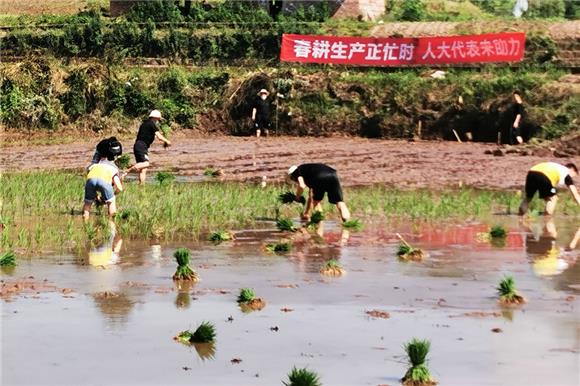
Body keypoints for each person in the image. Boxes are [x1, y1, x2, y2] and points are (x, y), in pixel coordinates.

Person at [124, 110, 171, 184]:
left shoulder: (145, 124)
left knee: (143, 169)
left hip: (139, 146)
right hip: (141, 146)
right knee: (146, 164)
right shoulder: (151, 124)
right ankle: (126, 171)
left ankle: (141, 185)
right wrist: (167, 141)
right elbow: (159, 136)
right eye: (158, 119)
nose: (158, 121)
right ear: (155, 118)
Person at [83, 139, 123, 221]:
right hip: (104, 182)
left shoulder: (95, 165)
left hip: (90, 180)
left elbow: (89, 175)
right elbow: (119, 188)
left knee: (87, 203)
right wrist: (112, 194)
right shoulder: (114, 169)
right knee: (111, 202)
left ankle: (85, 221)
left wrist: (96, 196)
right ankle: (112, 224)